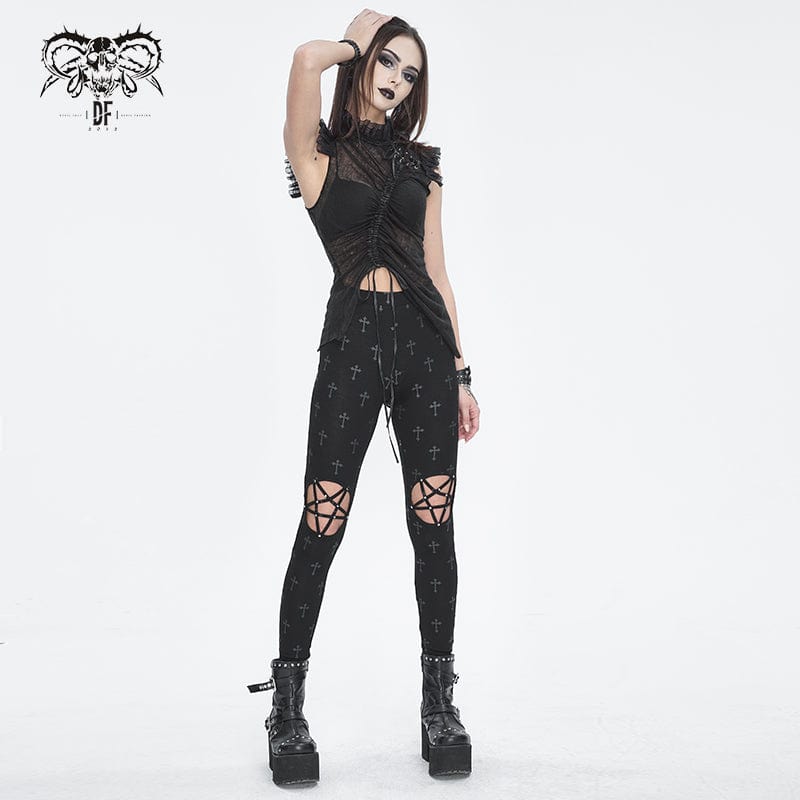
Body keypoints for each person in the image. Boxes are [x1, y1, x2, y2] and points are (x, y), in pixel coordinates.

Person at [246, 10, 480, 785]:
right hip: (351, 346)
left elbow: (437, 272)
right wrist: (357, 44)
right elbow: (305, 58)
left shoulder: (423, 167)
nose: (397, 81)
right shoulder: (315, 154)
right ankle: (286, 707)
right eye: (388, 63)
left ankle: (439, 702)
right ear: (364, 60)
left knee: (434, 523)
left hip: (422, 348)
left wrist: (461, 373)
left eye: (411, 74)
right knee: (323, 521)